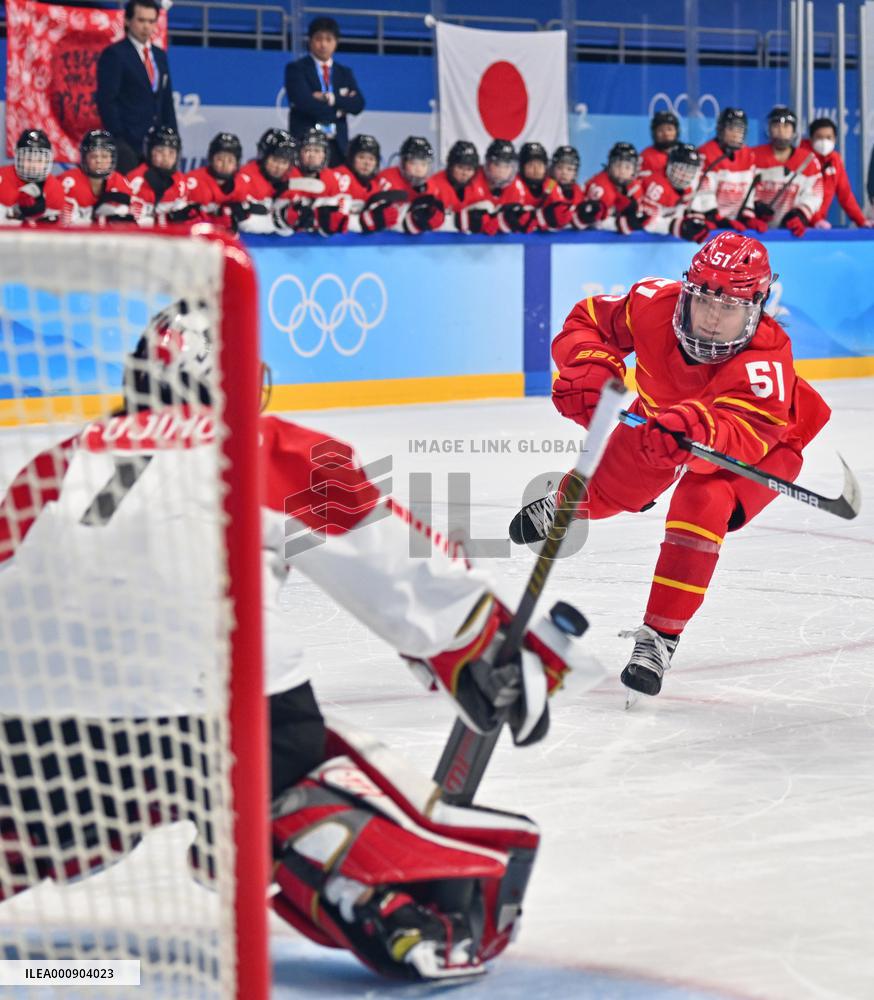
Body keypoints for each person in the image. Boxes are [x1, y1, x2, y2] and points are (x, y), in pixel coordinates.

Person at [0, 294, 596, 981]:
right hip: (208, 716)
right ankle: (385, 905)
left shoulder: (58, 460)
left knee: (42, 820)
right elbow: (395, 568)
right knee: (301, 763)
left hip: (36, 727)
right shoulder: (264, 448)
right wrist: (479, 646)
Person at [509, 232, 831, 699]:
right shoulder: (651, 303)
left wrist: (697, 429)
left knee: (703, 500)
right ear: (688, 291)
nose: (713, 318)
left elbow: (747, 430)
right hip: (664, 420)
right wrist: (587, 364)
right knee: (609, 493)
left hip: (760, 445)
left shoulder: (768, 355)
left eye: (730, 307)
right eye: (705, 301)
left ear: (757, 306)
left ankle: (660, 637)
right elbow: (589, 321)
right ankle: (564, 505)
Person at [96, 0, 177, 174]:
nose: (146, 26)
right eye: (141, 20)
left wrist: (173, 137)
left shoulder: (160, 55)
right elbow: (106, 100)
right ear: (127, 21)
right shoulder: (115, 54)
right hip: (128, 144)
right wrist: (119, 138)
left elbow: (166, 100)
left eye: (151, 21)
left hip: (158, 146)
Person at [285, 16, 365, 167]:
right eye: (318, 39)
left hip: (337, 145)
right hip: (305, 144)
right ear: (310, 41)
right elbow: (304, 103)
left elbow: (358, 104)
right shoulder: (296, 69)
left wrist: (330, 98)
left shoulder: (344, 72)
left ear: (336, 42)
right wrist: (339, 111)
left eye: (329, 39)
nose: (323, 44)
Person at [747, 106, 823, 238]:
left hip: (790, 232)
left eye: (786, 126)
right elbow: (741, 187)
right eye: (776, 125)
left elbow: (815, 194)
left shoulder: (808, 160)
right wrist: (753, 207)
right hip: (755, 231)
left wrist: (800, 214)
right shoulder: (752, 156)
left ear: (794, 130)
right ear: (769, 129)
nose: (781, 131)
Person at [618, 143, 709, 241]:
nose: (683, 176)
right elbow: (646, 221)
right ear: (669, 164)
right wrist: (677, 226)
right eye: (680, 169)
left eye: (690, 171)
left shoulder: (691, 189)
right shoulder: (654, 184)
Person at [800, 117, 872, 230]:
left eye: (829, 137)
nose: (824, 141)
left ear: (835, 139)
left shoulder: (835, 160)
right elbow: (800, 196)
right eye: (819, 137)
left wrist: (861, 221)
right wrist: (816, 219)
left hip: (818, 226)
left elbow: (845, 195)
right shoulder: (800, 159)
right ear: (811, 139)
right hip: (797, 222)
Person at [690, 107, 756, 228]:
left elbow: (749, 188)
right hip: (709, 222)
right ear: (720, 129)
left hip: (735, 223)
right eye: (731, 129)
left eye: (740, 130)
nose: (736, 134)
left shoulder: (748, 155)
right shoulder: (705, 153)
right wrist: (713, 216)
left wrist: (747, 214)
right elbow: (702, 191)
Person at [273, 128, 348, 235]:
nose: (312, 155)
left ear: (324, 155)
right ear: (299, 153)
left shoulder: (332, 178)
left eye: (317, 151)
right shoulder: (286, 175)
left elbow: (339, 216)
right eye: (307, 150)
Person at [58, 130, 134, 226]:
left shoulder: (120, 181)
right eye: (93, 156)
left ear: (112, 158)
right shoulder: (67, 181)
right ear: (85, 158)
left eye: (104, 156)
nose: (99, 161)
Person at [332, 134, 403, 233]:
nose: (367, 163)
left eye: (371, 159)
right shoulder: (338, 177)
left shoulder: (377, 185)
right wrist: (362, 223)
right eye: (361, 157)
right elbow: (334, 220)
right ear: (351, 158)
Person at [376, 136, 445, 234]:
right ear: (403, 163)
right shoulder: (387, 179)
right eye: (413, 163)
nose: (419, 169)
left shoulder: (432, 187)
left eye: (423, 164)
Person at [458, 139, 528, 236]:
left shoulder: (517, 188)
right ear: (488, 163)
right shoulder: (472, 180)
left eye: (507, 166)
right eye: (497, 164)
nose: (501, 171)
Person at [184, 132, 251, 229]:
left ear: (237, 164)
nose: (224, 165)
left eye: (230, 160)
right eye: (220, 159)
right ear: (211, 159)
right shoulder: (194, 181)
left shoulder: (241, 182)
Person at [236, 128, 297, 233]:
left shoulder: (292, 179)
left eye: (284, 162)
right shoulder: (245, 177)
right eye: (275, 160)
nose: (279, 167)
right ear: (263, 156)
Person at [127, 125, 191, 225]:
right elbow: (131, 220)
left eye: (171, 152)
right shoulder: (136, 179)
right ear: (149, 152)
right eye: (160, 151)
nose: (166, 158)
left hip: (170, 233)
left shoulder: (181, 180)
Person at [0, 129, 65, 226]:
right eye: (28, 159)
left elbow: (53, 231)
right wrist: (12, 212)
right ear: (18, 157)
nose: (33, 165)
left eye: (39, 160)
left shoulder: (55, 188)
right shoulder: (3, 177)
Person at [578, 142, 642, 231]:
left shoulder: (635, 185)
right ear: (610, 165)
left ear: (634, 169)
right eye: (618, 165)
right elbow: (596, 224)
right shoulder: (601, 186)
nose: (622, 171)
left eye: (627, 167)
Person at [537, 145, 585, 231]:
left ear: (575, 173)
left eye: (569, 169)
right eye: (559, 168)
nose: (564, 172)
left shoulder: (577, 190)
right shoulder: (549, 185)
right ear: (553, 169)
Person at [640, 110, 679, 177]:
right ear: (654, 133)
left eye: (669, 129)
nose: (666, 134)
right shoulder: (645, 157)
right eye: (661, 130)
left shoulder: (685, 153)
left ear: (677, 131)